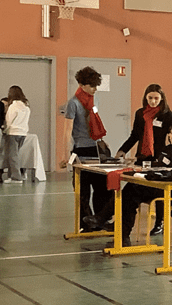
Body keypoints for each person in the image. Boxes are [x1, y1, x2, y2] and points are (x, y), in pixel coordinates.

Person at [111, 123, 172, 247]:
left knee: (131, 193)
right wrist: (139, 165)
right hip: (156, 184)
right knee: (130, 190)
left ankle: (105, 218)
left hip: (170, 191)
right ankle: (122, 234)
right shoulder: (168, 149)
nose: (169, 135)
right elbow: (158, 164)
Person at [116, 84, 172, 235]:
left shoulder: (167, 115)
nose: (153, 101)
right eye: (150, 98)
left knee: (159, 188)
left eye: (156, 98)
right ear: (145, 97)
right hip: (142, 156)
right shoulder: (140, 113)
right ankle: (123, 225)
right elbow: (135, 135)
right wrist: (122, 150)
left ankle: (160, 223)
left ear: (161, 99)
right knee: (133, 188)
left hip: (159, 157)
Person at [65, 66, 111, 229]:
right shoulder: (73, 103)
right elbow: (68, 130)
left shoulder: (95, 100)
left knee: (101, 189)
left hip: (96, 149)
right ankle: (86, 222)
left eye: (96, 86)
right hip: (81, 150)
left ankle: (100, 219)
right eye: (92, 86)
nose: (95, 89)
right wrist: (66, 155)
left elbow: (96, 121)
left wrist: (102, 140)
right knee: (83, 191)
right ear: (82, 85)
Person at [0, 86, 30, 184]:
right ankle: (12, 175)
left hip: (13, 133)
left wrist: (5, 130)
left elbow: (9, 120)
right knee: (16, 155)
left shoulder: (13, 106)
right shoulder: (26, 107)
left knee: (12, 156)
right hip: (23, 133)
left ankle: (16, 177)